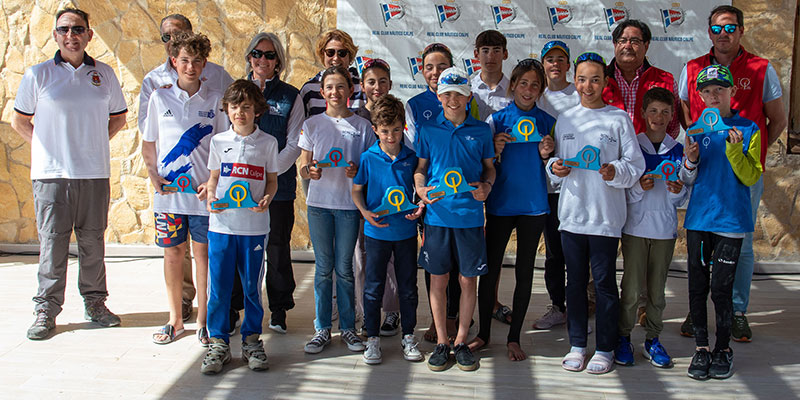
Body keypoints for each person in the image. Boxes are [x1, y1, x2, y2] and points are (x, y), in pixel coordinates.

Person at [13, 8, 128, 340]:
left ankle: (95, 304)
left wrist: (90, 143)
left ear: (89, 35)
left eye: (78, 29)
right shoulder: (39, 75)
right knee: (53, 243)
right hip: (51, 175)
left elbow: (118, 118)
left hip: (93, 173)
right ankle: (46, 309)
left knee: (92, 241)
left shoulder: (104, 74)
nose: (71, 35)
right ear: (55, 36)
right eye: (64, 29)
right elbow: (20, 121)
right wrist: (48, 146)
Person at [678, 5, 787, 342]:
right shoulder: (693, 67)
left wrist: (751, 155)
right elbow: (685, 108)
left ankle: (737, 310)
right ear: (708, 32)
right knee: (702, 239)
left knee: (740, 242)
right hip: (705, 168)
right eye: (715, 28)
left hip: (742, 173)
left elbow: (778, 119)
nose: (722, 34)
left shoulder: (761, 67)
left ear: (741, 30)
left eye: (729, 27)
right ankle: (697, 310)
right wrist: (698, 143)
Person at [546, 52, 645, 374]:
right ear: (575, 81)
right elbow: (555, 166)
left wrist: (614, 171)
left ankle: (605, 347)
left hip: (605, 217)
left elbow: (635, 166)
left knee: (603, 284)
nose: (588, 85)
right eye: (583, 79)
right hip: (572, 215)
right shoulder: (566, 119)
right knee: (573, 284)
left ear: (605, 83)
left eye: (595, 79)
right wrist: (555, 167)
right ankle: (577, 344)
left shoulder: (618, 119)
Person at [138, 13, 234, 324]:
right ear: (173, 61)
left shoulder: (216, 99)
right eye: (184, 60)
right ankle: (176, 319)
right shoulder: (158, 96)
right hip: (169, 196)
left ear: (205, 64)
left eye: (197, 60)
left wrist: (214, 180)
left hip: (204, 196)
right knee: (173, 255)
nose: (190, 66)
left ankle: (204, 322)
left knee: (203, 256)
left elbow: (224, 146)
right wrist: (152, 173)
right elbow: (149, 142)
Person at [468, 59, 555, 361]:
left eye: (535, 85)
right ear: (513, 85)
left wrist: (547, 154)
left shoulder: (548, 122)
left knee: (525, 272)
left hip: (533, 206)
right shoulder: (496, 120)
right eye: (523, 83)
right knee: (490, 271)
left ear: (540, 89)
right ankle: (483, 334)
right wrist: (496, 150)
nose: (528, 90)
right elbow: (485, 165)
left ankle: (514, 337)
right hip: (501, 205)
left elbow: (556, 168)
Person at [681, 65, 762, 380]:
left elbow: (751, 175)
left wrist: (734, 150)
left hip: (730, 220)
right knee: (697, 286)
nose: (714, 96)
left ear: (732, 92)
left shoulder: (749, 128)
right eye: (707, 91)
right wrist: (690, 159)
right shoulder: (696, 130)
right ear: (699, 96)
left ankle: (723, 348)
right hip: (699, 219)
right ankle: (701, 348)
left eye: (720, 89)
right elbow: (688, 178)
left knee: (721, 289)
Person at [414, 67, 495, 372]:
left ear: (468, 96)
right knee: (439, 279)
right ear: (438, 96)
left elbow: (490, 169)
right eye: (447, 94)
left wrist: (487, 186)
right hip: (437, 217)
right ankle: (441, 342)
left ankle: (461, 340)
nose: (452, 99)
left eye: (458, 94)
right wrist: (420, 188)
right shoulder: (428, 131)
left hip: (470, 218)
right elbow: (421, 168)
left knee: (467, 280)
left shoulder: (482, 131)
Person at [201, 79, 279, 375]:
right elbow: (213, 179)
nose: (240, 113)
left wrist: (268, 198)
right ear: (227, 109)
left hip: (254, 229)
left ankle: (251, 340)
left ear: (257, 110)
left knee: (251, 288)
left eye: (247, 107)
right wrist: (210, 196)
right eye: (235, 107)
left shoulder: (268, 143)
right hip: (221, 226)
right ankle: (218, 343)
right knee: (218, 288)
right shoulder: (218, 142)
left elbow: (271, 181)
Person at [404, 43, 477, 343]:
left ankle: (455, 321)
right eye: (429, 67)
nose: (435, 72)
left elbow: (478, 146)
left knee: (464, 270)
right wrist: (419, 191)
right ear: (422, 71)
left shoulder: (469, 103)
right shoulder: (414, 104)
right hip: (432, 201)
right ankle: (439, 325)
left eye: (442, 66)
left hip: (465, 206)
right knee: (435, 267)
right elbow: (415, 155)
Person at [299, 66, 375, 354]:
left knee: (344, 269)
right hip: (319, 206)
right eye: (329, 87)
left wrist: (357, 170)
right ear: (322, 92)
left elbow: (368, 167)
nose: (335, 92)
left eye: (341, 87)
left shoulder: (363, 126)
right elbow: (304, 167)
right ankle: (321, 329)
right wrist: (311, 170)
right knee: (322, 269)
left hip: (347, 207)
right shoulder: (313, 124)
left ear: (351, 91)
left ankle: (348, 329)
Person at [614, 87, 687, 369]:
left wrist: (675, 190)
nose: (659, 117)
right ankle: (623, 337)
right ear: (643, 114)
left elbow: (681, 198)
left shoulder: (678, 150)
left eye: (665, 112)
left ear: (672, 117)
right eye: (653, 111)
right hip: (634, 228)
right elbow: (623, 189)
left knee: (657, 291)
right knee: (631, 289)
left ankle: (653, 339)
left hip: (664, 231)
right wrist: (637, 187)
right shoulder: (633, 148)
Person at [352, 94, 424, 365]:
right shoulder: (368, 158)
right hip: (376, 233)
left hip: (405, 234)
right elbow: (357, 190)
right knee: (373, 288)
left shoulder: (411, 158)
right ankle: (372, 338)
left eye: (396, 129)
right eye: (384, 131)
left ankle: (408, 336)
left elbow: (416, 192)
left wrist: (419, 208)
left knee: (408, 287)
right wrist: (364, 213)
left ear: (403, 126)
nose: (391, 136)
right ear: (375, 130)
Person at [244, 32, 304, 334]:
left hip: (278, 187)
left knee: (277, 248)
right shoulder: (237, 92)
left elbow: (294, 144)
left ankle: (279, 309)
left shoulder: (291, 96)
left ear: (278, 60)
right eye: (257, 53)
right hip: (239, 187)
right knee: (241, 248)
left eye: (269, 55)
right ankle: (234, 307)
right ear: (249, 57)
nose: (262, 60)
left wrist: (268, 175)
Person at [352, 58, 404, 336]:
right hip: (365, 202)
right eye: (371, 81)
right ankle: (364, 312)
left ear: (391, 84)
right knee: (362, 258)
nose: (377, 86)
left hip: (393, 201)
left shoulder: (397, 112)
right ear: (362, 85)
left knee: (392, 261)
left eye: (383, 81)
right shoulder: (355, 116)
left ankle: (392, 312)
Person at [533, 40, 579, 330]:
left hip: (578, 186)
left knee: (574, 250)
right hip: (548, 187)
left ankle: (577, 308)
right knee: (553, 252)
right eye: (549, 59)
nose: (555, 64)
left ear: (568, 65)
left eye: (560, 59)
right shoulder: (536, 96)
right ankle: (557, 306)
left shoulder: (579, 94)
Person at [602, 20, 680, 139]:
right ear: (615, 44)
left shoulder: (665, 80)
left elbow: (673, 127)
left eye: (635, 41)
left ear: (646, 45)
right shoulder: (599, 79)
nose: (627, 46)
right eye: (622, 41)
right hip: (607, 153)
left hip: (650, 154)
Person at [299, 29, 365, 117]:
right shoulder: (309, 89)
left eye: (342, 53)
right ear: (323, 55)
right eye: (330, 52)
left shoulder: (361, 88)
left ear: (350, 56)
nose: (336, 58)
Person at [470, 30, 512, 121]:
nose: (490, 56)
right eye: (485, 51)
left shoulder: (514, 91)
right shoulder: (469, 88)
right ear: (476, 54)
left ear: (505, 54)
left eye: (496, 51)